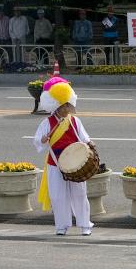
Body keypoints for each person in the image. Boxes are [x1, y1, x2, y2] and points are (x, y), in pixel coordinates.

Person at [33, 77, 95, 236]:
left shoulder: (75, 121)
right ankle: (62, 226)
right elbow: (38, 141)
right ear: (57, 106)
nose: (68, 108)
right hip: (55, 163)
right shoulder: (47, 123)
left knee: (80, 194)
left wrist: (89, 142)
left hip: (76, 162)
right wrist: (43, 139)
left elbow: (83, 137)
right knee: (58, 197)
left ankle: (85, 224)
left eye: (68, 104)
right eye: (65, 105)